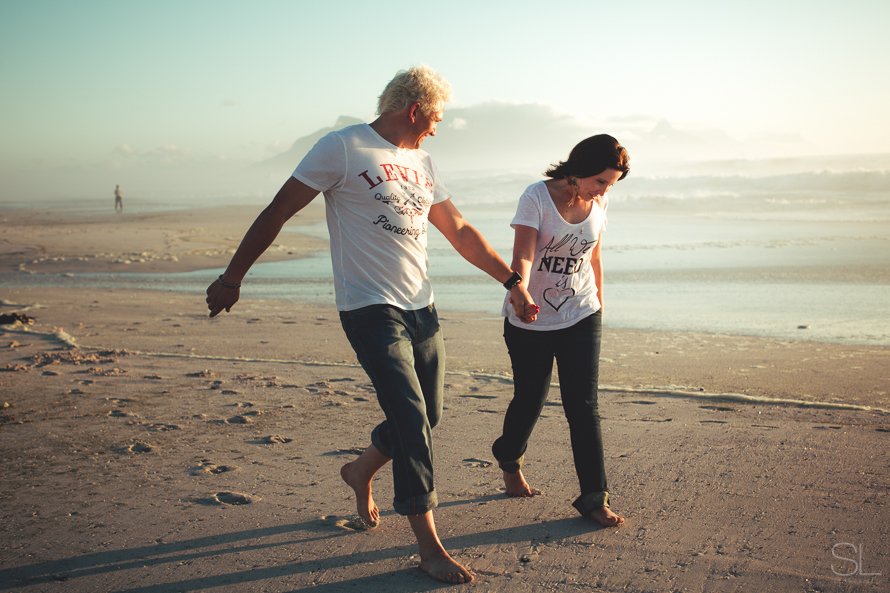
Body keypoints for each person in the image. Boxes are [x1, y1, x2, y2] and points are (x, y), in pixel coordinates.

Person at [205, 65, 534, 584]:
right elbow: (279, 210)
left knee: (429, 415)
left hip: (420, 306)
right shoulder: (341, 147)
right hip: (368, 307)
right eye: (436, 117)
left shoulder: (422, 161)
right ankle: (428, 546)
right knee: (409, 418)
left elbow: (461, 230)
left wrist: (511, 280)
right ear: (415, 110)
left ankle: (359, 471)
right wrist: (232, 276)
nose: (436, 128)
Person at [491, 135, 629, 527]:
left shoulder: (599, 201)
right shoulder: (536, 197)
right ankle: (509, 456)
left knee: (583, 406)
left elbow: (594, 255)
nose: (603, 191)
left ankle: (594, 497)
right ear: (580, 169)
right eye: (600, 181)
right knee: (530, 398)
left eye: (610, 185)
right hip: (530, 313)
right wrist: (518, 290)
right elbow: (523, 253)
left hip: (582, 312)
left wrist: (599, 301)